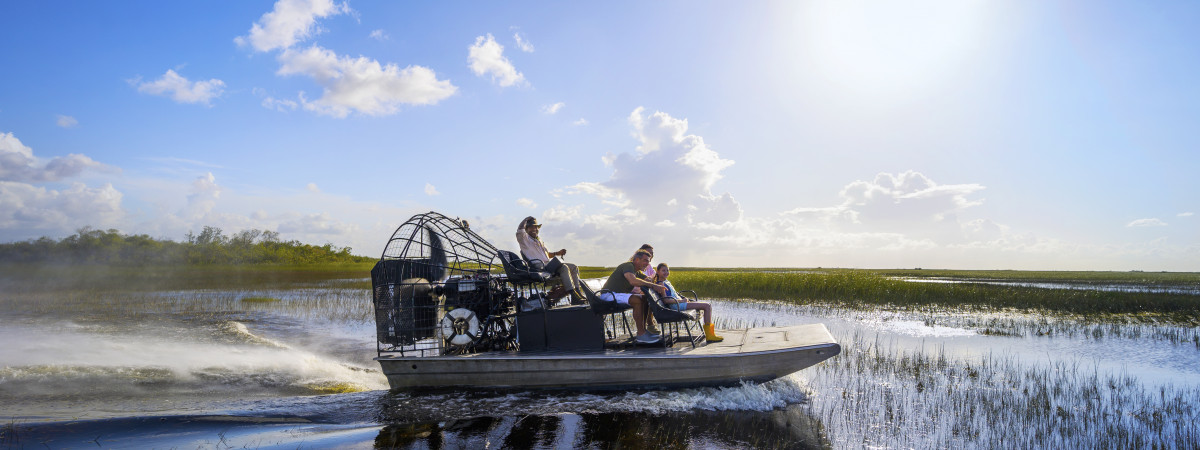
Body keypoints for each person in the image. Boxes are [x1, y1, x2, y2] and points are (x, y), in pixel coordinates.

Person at [600, 249, 666, 344]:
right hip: (608, 295)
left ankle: (643, 331)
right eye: (645, 260)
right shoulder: (628, 266)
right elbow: (633, 281)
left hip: (617, 295)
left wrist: (650, 280)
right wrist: (653, 285)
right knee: (637, 300)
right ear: (637, 260)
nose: (647, 264)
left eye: (649, 261)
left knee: (644, 298)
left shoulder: (637, 271)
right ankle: (641, 333)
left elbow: (647, 279)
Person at [516, 216, 585, 303]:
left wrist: (558, 253)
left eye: (536, 227)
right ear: (527, 229)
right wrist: (526, 219)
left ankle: (577, 292)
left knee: (574, 267)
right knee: (563, 268)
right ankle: (573, 295)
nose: (534, 229)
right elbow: (519, 230)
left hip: (549, 265)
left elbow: (546, 255)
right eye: (531, 227)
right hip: (540, 268)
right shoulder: (524, 240)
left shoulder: (539, 240)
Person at [652, 263, 723, 342]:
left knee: (707, 305)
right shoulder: (661, 284)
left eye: (667, 270)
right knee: (707, 306)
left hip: (678, 303)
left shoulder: (666, 281)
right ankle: (710, 336)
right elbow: (666, 300)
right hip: (676, 306)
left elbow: (674, 295)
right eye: (663, 271)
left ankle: (710, 334)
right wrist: (682, 300)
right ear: (657, 272)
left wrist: (683, 298)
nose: (666, 272)